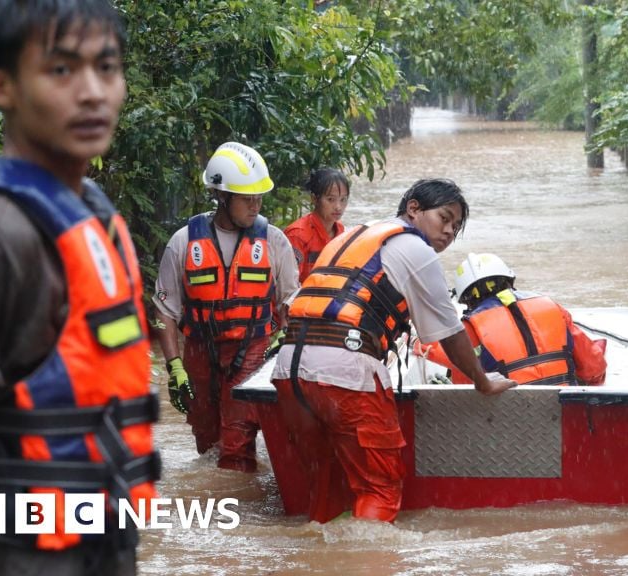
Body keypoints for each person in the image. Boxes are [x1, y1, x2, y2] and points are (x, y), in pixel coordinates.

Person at [0, 1, 159, 572]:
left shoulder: (94, 218)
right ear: (2, 86)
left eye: (106, 68)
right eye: (61, 70)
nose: (92, 92)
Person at [270, 178, 517, 524]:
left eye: (455, 227)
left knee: (327, 483)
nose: (448, 231)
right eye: (444, 218)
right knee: (380, 487)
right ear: (413, 209)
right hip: (346, 372)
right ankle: (372, 560)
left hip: (288, 372)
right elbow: (450, 334)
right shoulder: (418, 251)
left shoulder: (351, 236)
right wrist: (482, 381)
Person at [152, 141, 299, 473]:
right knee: (206, 442)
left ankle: (238, 509)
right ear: (221, 196)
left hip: (252, 350)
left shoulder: (274, 241)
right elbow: (165, 311)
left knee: (236, 445)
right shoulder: (183, 242)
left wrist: (284, 335)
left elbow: (292, 298)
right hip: (200, 352)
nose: (255, 206)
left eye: (259, 198)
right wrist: (175, 368)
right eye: (248, 199)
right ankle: (214, 510)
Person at [415, 253, 608, 386]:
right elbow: (594, 367)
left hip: (508, 415)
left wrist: (418, 344)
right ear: (508, 279)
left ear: (466, 297)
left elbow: (465, 389)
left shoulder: (470, 326)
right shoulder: (550, 306)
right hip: (563, 408)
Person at [285, 167, 349, 282]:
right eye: (331, 199)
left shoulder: (341, 231)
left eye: (343, 200)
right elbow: (289, 284)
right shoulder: (297, 235)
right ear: (314, 199)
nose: (338, 207)